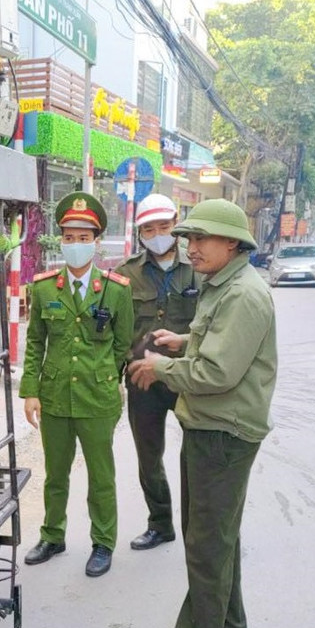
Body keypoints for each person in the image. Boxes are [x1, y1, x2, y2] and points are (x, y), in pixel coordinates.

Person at [128, 199, 277, 628]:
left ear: (232, 243)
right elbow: (212, 338)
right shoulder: (225, 285)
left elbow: (217, 374)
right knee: (217, 536)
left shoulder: (243, 295)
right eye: (188, 237)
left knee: (206, 545)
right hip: (212, 428)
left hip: (223, 432)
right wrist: (184, 337)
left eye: (201, 239)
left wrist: (160, 367)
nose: (191, 246)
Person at [21, 192, 134, 577]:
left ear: (97, 242)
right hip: (54, 396)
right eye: (68, 237)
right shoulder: (43, 288)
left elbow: (123, 345)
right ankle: (53, 535)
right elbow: (35, 341)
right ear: (61, 241)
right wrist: (31, 391)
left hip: (98, 398)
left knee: (101, 477)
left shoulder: (117, 289)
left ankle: (103, 543)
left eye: (84, 237)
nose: (75, 244)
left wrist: (105, 378)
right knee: (56, 474)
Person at [116, 193, 201, 551]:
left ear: (176, 225)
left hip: (186, 379)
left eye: (164, 226)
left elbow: (211, 327)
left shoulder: (199, 269)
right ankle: (161, 523)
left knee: (197, 456)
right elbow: (117, 332)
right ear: (140, 233)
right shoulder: (125, 274)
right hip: (142, 381)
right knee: (148, 456)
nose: (157, 234)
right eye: (149, 229)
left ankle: (201, 529)